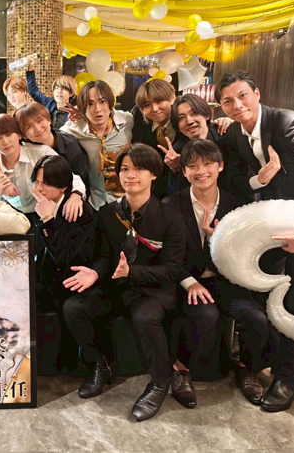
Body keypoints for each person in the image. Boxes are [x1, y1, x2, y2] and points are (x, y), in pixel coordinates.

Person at [61, 143, 186, 422]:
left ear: (154, 174)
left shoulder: (171, 219)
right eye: (125, 169)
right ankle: (99, 365)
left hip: (150, 291)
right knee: (74, 307)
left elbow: (171, 270)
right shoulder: (108, 213)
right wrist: (95, 272)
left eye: (139, 169)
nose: (130, 175)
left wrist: (132, 273)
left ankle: (160, 382)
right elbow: (105, 255)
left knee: (145, 317)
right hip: (115, 287)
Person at [218, 69, 294, 412]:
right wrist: (259, 179)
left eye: (242, 95)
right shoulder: (236, 133)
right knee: (266, 294)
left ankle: (288, 378)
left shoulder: (290, 124)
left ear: (257, 94)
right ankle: (269, 362)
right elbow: (232, 178)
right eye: (227, 101)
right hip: (270, 226)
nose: (237, 105)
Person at [163, 139, 269, 408]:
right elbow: (167, 257)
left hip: (225, 281)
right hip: (187, 281)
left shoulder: (237, 205)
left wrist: (214, 239)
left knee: (256, 318)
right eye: (192, 166)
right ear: (183, 171)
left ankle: (246, 367)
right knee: (205, 315)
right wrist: (189, 282)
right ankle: (180, 369)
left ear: (220, 166)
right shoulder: (170, 205)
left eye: (208, 164)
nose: (201, 171)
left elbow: (245, 252)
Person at [31, 155, 95, 371]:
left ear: (63, 186)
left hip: (75, 283)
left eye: (46, 183)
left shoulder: (79, 210)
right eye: (37, 181)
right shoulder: (45, 204)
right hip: (51, 280)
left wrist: (48, 220)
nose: (39, 188)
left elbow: (67, 258)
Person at [0, 114, 85, 223]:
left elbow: (72, 178)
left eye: (8, 134)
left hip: (45, 211)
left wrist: (76, 195)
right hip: (13, 216)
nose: (5, 142)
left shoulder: (41, 153)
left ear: (19, 134)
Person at [60, 80, 134, 210]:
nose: (97, 109)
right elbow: (51, 137)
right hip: (96, 202)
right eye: (90, 104)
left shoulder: (127, 121)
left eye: (102, 101)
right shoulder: (73, 130)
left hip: (128, 201)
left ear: (110, 102)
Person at [163, 94, 233, 193]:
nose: (189, 121)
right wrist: (176, 169)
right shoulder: (177, 151)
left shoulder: (226, 138)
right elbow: (175, 192)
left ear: (207, 115)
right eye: (181, 118)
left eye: (194, 113)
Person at [26, 56, 77, 130]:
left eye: (64, 88)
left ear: (71, 93)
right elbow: (33, 91)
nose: (59, 91)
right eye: (56, 88)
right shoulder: (49, 103)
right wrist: (31, 67)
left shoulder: (74, 112)